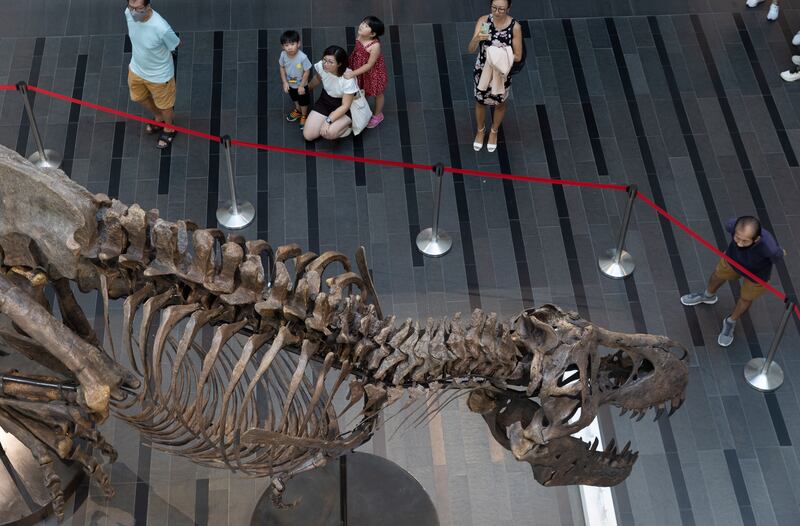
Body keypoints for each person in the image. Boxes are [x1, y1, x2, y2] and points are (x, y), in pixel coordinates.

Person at [681, 216, 786, 347]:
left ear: (757, 239)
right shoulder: (731, 225)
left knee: (746, 298)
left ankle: (731, 321)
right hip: (732, 260)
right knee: (717, 275)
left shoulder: (770, 248)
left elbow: (778, 256)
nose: (739, 244)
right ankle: (708, 296)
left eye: (745, 241)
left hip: (757, 274)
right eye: (737, 238)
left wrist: (780, 252)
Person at [467, 0, 522, 153]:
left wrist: (497, 54)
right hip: (483, 69)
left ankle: (494, 131)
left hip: (501, 72)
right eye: (494, 8)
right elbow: (471, 49)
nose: (497, 12)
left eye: (502, 9)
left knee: (500, 102)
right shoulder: (484, 21)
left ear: (509, 8)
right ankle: (480, 130)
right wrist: (477, 38)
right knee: (480, 101)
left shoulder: (515, 27)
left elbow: (518, 56)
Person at [125, 0, 180, 149]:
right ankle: (159, 118)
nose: (133, 12)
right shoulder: (128, 14)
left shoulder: (161, 27)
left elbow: (175, 43)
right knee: (138, 97)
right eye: (131, 7)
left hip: (160, 75)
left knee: (166, 105)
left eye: (138, 8)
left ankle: (169, 128)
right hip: (136, 69)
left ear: (148, 6)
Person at [303, 46, 363, 142]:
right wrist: (307, 89)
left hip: (344, 106)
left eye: (330, 62)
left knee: (329, 133)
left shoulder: (347, 79)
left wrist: (328, 121)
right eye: (324, 60)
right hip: (326, 100)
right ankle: (332, 122)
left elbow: (345, 106)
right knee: (308, 135)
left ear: (339, 64)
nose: (325, 64)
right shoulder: (322, 67)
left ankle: (348, 126)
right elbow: (318, 78)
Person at [346, 16, 388, 129]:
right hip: (359, 67)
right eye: (363, 22)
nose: (362, 25)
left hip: (373, 73)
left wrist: (353, 73)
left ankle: (378, 115)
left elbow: (369, 65)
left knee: (377, 93)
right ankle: (361, 107)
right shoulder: (360, 35)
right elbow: (357, 50)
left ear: (372, 34)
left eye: (366, 26)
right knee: (362, 89)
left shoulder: (375, 46)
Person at [279, 30, 313, 130]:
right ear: (282, 47)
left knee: (303, 101)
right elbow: (281, 67)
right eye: (286, 45)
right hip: (290, 84)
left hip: (301, 85)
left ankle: (304, 115)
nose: (289, 47)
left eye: (292, 44)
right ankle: (298, 111)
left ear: (298, 44)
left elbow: (307, 71)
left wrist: (302, 85)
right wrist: (285, 82)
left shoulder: (302, 57)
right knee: (294, 98)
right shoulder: (283, 55)